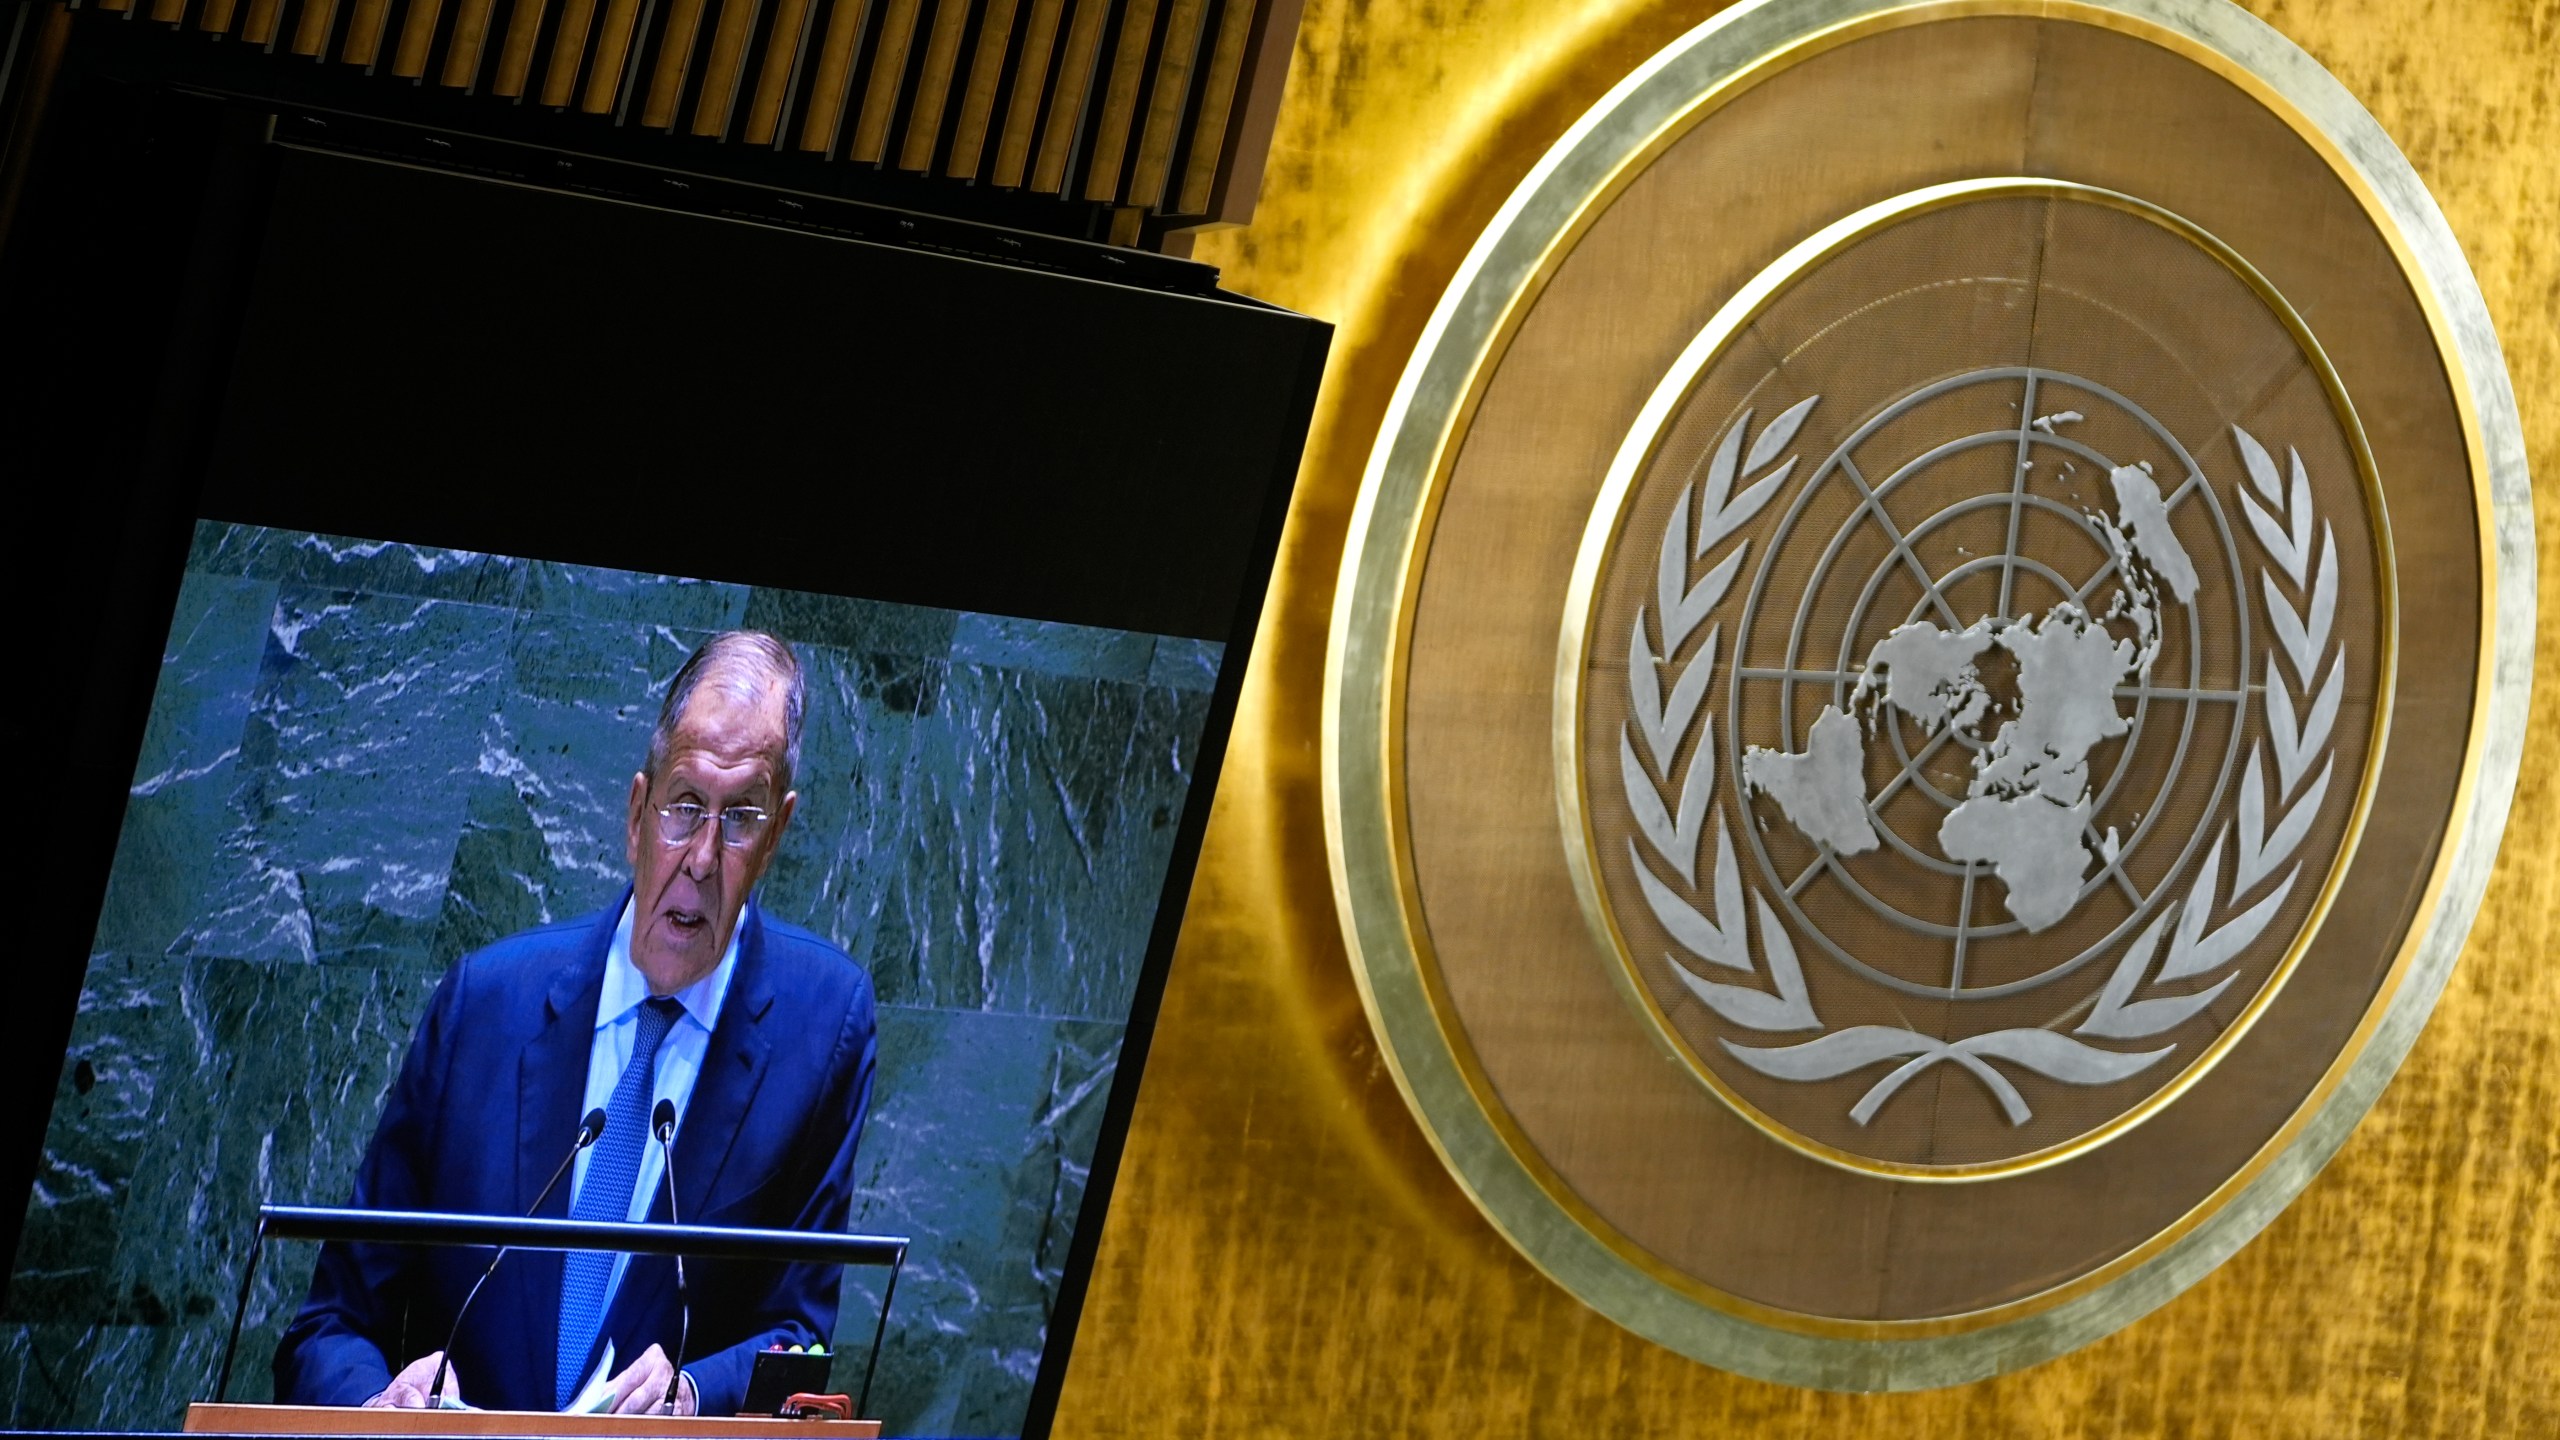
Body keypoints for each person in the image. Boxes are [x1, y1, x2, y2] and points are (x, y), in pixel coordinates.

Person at [274, 631, 878, 1416]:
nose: (700, 857)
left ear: (776, 837)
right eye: (684, 806)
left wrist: (695, 1395)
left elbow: (802, 1338)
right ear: (636, 814)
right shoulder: (484, 1008)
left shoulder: (824, 1025)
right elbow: (332, 1323)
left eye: (740, 819)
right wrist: (380, 1403)